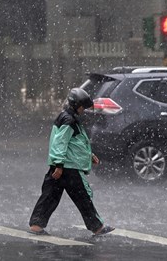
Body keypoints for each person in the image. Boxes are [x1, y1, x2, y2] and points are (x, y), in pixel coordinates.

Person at [28, 88, 114, 236]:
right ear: (76, 105)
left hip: (62, 166)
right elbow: (60, 143)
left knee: (49, 196)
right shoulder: (69, 120)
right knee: (83, 197)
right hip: (68, 167)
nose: (84, 110)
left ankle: (36, 224)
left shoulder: (67, 117)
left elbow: (76, 143)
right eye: (83, 107)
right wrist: (60, 165)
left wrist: (89, 155)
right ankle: (97, 227)